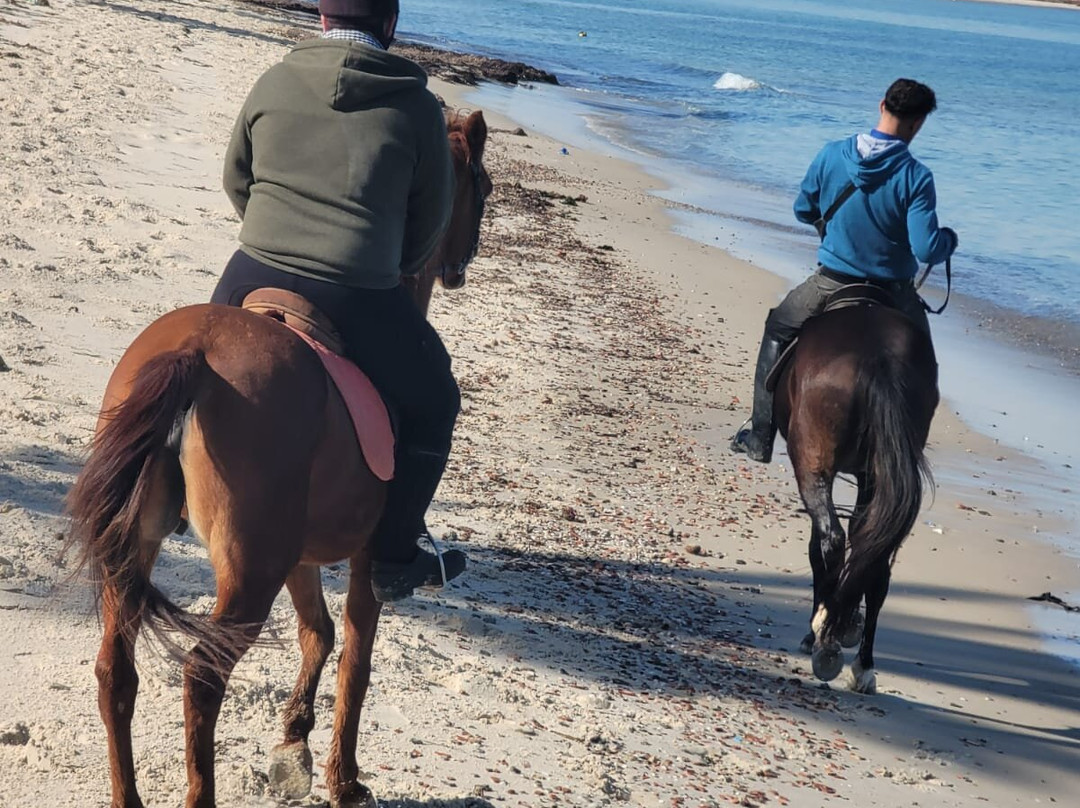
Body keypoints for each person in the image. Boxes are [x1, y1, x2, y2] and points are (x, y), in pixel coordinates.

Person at [211, 0, 466, 602]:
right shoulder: (416, 108)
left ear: (323, 19)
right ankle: (395, 557)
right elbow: (429, 228)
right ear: (391, 24)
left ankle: (170, 487)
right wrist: (388, 260)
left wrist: (274, 232)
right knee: (436, 401)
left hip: (253, 267)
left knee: (194, 363)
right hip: (356, 287)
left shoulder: (274, 79)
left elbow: (236, 179)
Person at [730, 78, 958, 463]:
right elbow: (926, 248)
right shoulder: (916, 177)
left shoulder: (832, 155)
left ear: (882, 104)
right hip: (894, 292)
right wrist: (948, 241)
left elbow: (803, 209)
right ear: (918, 123)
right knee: (923, 364)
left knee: (778, 329)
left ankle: (761, 435)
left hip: (832, 282)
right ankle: (908, 450)